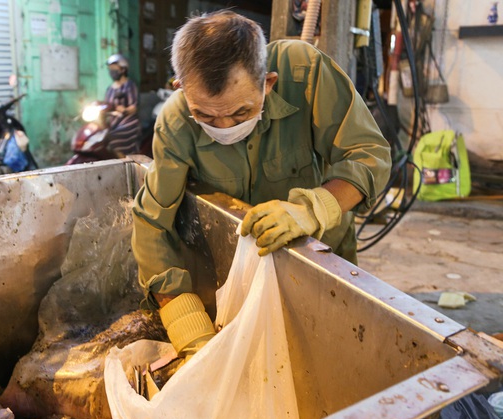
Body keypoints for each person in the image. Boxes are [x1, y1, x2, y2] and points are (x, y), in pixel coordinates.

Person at [131, 10, 391, 363]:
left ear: (267, 83)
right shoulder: (176, 120)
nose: (224, 127)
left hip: (318, 261)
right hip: (233, 275)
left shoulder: (305, 72)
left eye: (241, 112)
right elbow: (152, 222)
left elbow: (369, 156)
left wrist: (312, 209)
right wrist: (185, 323)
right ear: (181, 90)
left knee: (326, 355)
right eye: (205, 116)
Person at [102, 54, 142, 156]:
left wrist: (124, 110)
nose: (111, 72)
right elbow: (106, 105)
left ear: (123, 70)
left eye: (114, 69)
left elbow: (134, 107)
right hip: (113, 123)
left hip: (128, 122)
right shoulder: (110, 88)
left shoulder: (130, 86)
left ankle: (124, 165)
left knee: (113, 139)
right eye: (110, 69)